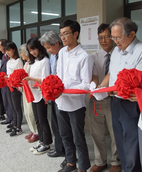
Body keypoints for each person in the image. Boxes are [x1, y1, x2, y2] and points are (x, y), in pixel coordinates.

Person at [100, 17, 142, 172]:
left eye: (118, 37)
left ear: (132, 34)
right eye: (112, 37)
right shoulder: (116, 50)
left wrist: (113, 90)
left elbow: (138, 84)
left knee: (132, 145)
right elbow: (111, 73)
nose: (114, 41)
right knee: (120, 141)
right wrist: (101, 86)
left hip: (131, 105)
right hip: (115, 102)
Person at [55, 20, 93, 172]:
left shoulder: (85, 56)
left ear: (76, 34)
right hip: (60, 102)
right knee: (65, 135)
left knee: (78, 138)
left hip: (76, 104)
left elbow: (85, 84)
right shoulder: (62, 52)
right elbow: (58, 75)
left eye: (66, 34)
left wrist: (63, 89)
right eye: (61, 34)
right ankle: (71, 162)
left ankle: (83, 167)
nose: (62, 37)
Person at [89, 24, 120, 172]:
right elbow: (94, 76)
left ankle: (115, 161)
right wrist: (94, 86)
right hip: (97, 98)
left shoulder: (119, 54)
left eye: (107, 37)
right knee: (96, 132)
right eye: (101, 38)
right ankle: (100, 161)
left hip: (114, 98)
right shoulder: (94, 56)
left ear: (112, 37)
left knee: (115, 132)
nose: (104, 41)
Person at [39, 30, 65, 158]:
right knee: (55, 122)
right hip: (53, 94)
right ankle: (59, 148)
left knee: (63, 125)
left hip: (64, 95)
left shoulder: (65, 55)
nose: (48, 50)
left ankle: (66, 151)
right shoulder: (53, 55)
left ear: (56, 43)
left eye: (49, 47)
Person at [25, 37, 52, 155]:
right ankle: (41, 140)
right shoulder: (34, 61)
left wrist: (31, 79)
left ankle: (47, 144)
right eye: (30, 51)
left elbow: (45, 78)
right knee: (37, 120)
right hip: (34, 94)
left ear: (39, 47)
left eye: (34, 49)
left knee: (42, 120)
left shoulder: (45, 60)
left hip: (41, 94)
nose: (32, 52)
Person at [19, 44, 39, 143]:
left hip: (31, 90)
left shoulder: (32, 63)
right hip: (24, 89)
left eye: (22, 52)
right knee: (26, 111)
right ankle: (32, 129)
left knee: (31, 112)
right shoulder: (26, 63)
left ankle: (36, 132)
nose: (21, 54)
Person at [5, 41, 23, 137]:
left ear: (14, 50)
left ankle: (18, 128)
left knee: (17, 108)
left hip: (16, 87)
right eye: (6, 51)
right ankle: (14, 124)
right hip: (9, 85)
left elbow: (20, 75)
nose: (7, 52)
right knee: (12, 106)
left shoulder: (18, 61)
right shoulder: (9, 61)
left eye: (9, 50)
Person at [0, 39, 13, 126]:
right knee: (5, 101)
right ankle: (9, 117)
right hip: (3, 82)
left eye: (0, 47)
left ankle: (12, 119)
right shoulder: (4, 57)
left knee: (9, 102)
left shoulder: (9, 58)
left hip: (8, 82)